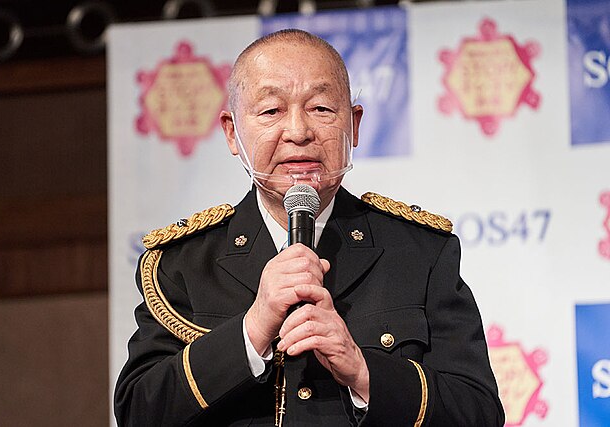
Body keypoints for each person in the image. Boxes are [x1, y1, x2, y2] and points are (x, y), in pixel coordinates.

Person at [114, 29, 505, 426]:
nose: (299, 131)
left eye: (320, 108)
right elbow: (137, 412)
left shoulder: (419, 252)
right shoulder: (182, 264)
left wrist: (363, 372)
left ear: (354, 125)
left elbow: (479, 413)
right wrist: (252, 329)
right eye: (271, 112)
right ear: (232, 132)